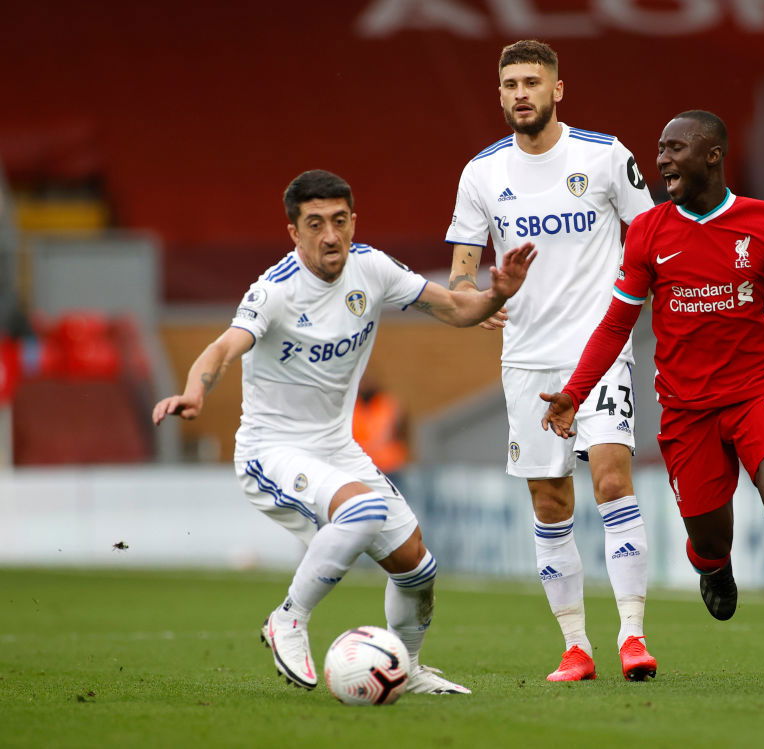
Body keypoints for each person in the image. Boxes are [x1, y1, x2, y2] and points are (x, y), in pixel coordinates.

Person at [541, 111, 764, 687]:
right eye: (659, 149)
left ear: (712, 155)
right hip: (686, 410)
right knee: (709, 539)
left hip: (758, 392)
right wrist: (575, 394)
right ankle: (713, 564)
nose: (662, 160)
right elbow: (614, 325)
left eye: (675, 149)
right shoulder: (650, 231)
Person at [154, 169, 536, 695]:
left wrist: (498, 294)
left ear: (353, 221)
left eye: (338, 221)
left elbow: (453, 307)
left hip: (337, 449)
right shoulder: (274, 291)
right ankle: (288, 618)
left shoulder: (372, 269)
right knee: (363, 510)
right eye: (314, 224)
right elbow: (222, 348)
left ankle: (408, 665)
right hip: (273, 450)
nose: (329, 235)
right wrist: (196, 390)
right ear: (293, 231)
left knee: (417, 565)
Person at [446, 39, 658, 683]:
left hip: (599, 351)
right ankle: (576, 647)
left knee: (614, 479)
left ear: (557, 89)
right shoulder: (482, 173)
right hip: (528, 361)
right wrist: (488, 300)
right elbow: (459, 282)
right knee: (549, 501)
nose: (520, 94)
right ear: (500, 93)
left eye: (532, 82)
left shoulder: (604, 155)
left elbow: (651, 240)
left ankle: (632, 636)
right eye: (510, 83)